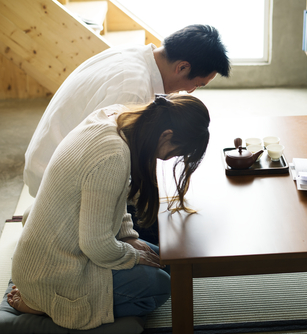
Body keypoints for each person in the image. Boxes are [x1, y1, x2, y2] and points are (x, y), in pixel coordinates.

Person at [8, 94, 211, 330]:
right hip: (55, 272)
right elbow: (96, 245)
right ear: (166, 135)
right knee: (159, 286)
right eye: (175, 152)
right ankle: (43, 302)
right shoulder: (113, 154)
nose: (170, 159)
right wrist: (133, 256)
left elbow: (112, 198)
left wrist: (129, 238)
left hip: (59, 249)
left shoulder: (115, 118)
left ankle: (39, 293)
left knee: (169, 264)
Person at [24, 24, 230, 199]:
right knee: (155, 220)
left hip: (44, 161)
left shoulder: (136, 54)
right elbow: (106, 160)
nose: (190, 91)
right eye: (196, 84)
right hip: (55, 184)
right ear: (182, 67)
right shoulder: (132, 90)